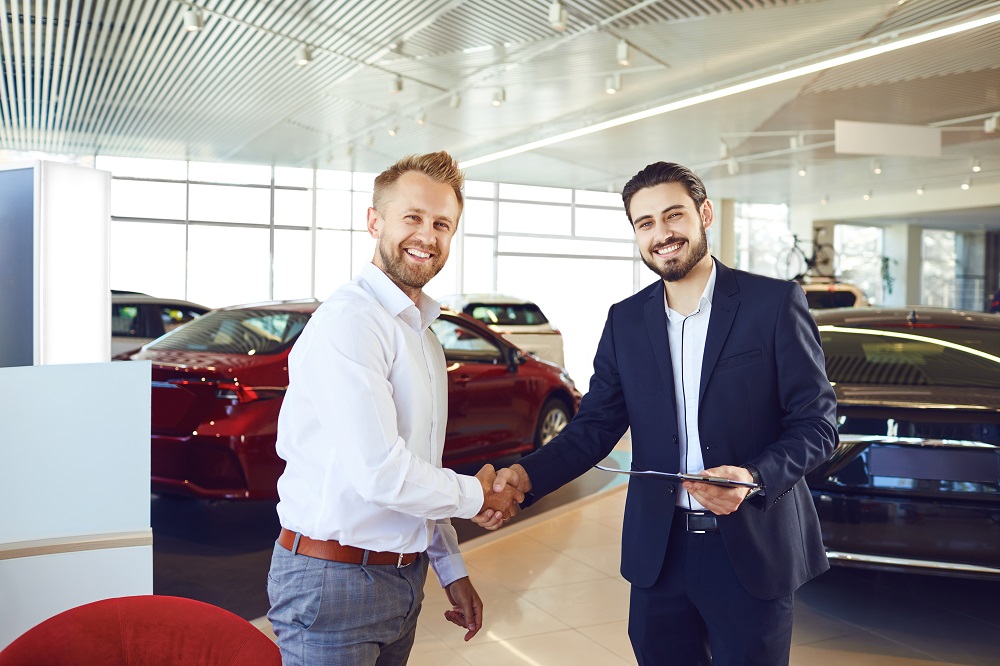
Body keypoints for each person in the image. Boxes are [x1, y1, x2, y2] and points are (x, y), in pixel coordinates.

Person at [480, 162, 839, 665]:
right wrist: (524, 475)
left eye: (674, 216)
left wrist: (754, 476)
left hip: (751, 550)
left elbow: (818, 424)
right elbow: (595, 427)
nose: (662, 233)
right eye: (645, 223)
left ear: (704, 214)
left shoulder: (772, 303)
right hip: (660, 553)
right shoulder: (625, 320)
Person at [267, 151, 522, 666]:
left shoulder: (422, 334)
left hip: (402, 578)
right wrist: (480, 495)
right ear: (374, 221)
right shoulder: (351, 322)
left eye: (441, 224)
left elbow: (418, 470)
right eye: (413, 217)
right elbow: (382, 473)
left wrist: (450, 567)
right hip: (331, 584)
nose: (427, 235)